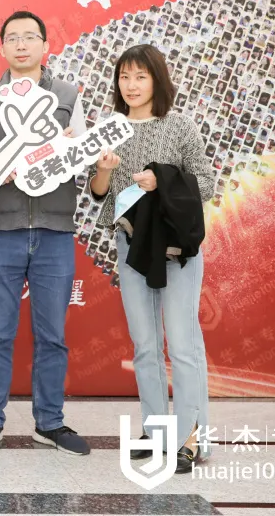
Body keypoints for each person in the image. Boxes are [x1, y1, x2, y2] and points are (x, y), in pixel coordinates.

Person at [0, 10, 90, 456]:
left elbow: (81, 156)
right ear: (2, 48)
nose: (21, 44)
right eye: (13, 37)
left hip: (54, 230)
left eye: (30, 37)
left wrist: (67, 150)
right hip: (2, 229)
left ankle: (50, 422)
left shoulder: (67, 96)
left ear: (45, 46)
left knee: (52, 335)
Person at [88, 44, 215, 474]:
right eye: (124, 77)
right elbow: (99, 194)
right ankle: (156, 429)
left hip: (176, 249)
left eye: (140, 76)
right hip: (131, 245)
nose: (132, 85)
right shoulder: (109, 130)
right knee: (145, 345)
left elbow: (206, 183)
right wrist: (104, 170)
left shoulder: (180, 125)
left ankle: (190, 435)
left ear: (157, 81)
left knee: (182, 344)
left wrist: (161, 179)